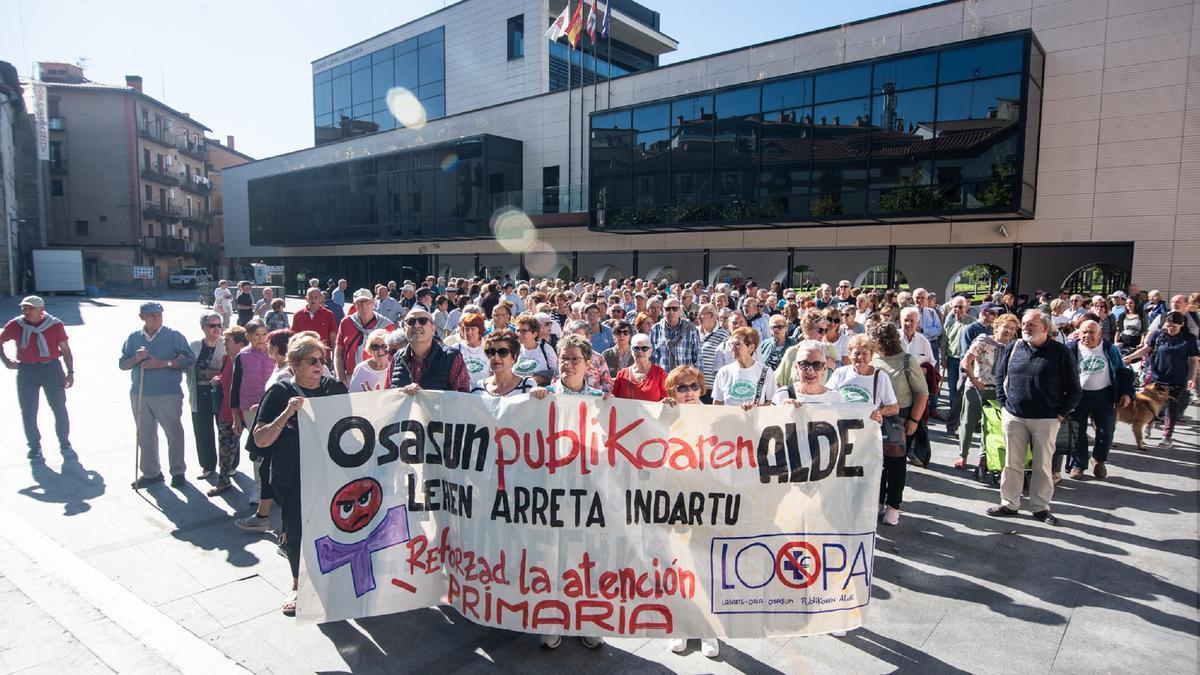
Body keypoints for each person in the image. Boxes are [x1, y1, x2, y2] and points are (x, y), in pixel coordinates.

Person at [252, 333, 347, 616]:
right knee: (296, 531)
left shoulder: (334, 388)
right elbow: (260, 439)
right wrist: (286, 414)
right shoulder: (279, 393)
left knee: (333, 527)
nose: (319, 366)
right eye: (312, 361)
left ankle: (330, 579)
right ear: (294, 364)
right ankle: (296, 583)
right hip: (293, 476)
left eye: (321, 360)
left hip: (329, 474)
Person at [988, 310, 1082, 526]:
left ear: (1046, 329)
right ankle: (1009, 503)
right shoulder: (1015, 347)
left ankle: (1040, 507)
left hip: (1046, 419)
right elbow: (1001, 376)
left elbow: (1075, 391)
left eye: (1032, 324)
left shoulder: (1061, 352)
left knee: (1042, 465)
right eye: (1025, 324)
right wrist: (1005, 404)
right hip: (1014, 416)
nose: (1026, 328)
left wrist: (1059, 415)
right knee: (1012, 462)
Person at [119, 302, 195, 489]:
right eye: (151, 315)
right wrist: (136, 359)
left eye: (159, 314)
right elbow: (122, 364)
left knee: (174, 433)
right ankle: (151, 473)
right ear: (142, 317)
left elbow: (189, 360)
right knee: (145, 434)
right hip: (140, 393)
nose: (156, 318)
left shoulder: (174, 336)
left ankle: (178, 471)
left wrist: (163, 363)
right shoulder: (134, 338)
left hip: (168, 393)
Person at [826, 334, 899, 523]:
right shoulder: (841, 374)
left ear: (872, 355)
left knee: (864, 476)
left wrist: (879, 412)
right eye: (856, 353)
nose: (860, 358)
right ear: (849, 354)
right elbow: (826, 399)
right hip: (841, 435)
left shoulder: (879, 377)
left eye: (865, 353)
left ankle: (865, 512)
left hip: (867, 438)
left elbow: (894, 407)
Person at [869, 324, 928, 522]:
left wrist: (914, 420)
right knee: (877, 463)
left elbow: (922, 392)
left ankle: (893, 505)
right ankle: (877, 501)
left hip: (899, 420)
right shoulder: (872, 360)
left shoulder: (906, 361)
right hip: (875, 419)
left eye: (872, 338)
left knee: (896, 464)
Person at [1066, 320, 1133, 479]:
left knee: (1106, 430)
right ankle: (1078, 465)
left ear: (1099, 334)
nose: (1087, 336)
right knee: (1077, 431)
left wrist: (1126, 393)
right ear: (1078, 333)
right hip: (1079, 396)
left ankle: (1099, 460)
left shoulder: (1109, 349)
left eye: (1091, 332)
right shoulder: (1072, 349)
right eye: (1084, 332)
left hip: (1104, 395)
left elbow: (1122, 371)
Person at [1123, 311, 1200, 447]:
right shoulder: (1159, 334)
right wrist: (1131, 357)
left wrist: (1192, 378)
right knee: (1148, 404)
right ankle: (1149, 423)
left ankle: (1167, 436)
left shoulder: (1189, 339)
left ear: (1182, 324)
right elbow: (1147, 349)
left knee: (1171, 408)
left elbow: (1194, 360)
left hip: (1177, 379)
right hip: (1157, 377)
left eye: (1174, 327)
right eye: (1168, 326)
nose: (1170, 329)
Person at [955, 313, 1018, 469]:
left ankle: (984, 458)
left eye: (1013, 328)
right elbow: (966, 361)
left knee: (990, 425)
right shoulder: (984, 340)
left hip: (998, 391)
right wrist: (974, 380)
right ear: (997, 326)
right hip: (977, 388)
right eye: (1006, 327)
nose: (1009, 331)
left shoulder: (1014, 346)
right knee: (968, 422)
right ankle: (963, 455)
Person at [230, 319, 275, 517]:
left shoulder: (274, 354)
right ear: (248, 336)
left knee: (275, 450)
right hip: (249, 407)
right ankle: (259, 487)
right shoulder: (242, 356)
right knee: (259, 450)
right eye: (256, 335)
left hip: (273, 407)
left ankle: (275, 487)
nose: (261, 339)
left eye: (264, 334)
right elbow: (235, 385)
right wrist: (235, 416)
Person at [390, 307, 471, 393]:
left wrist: (425, 396)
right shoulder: (397, 358)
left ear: (433, 328)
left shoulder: (452, 358)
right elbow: (388, 397)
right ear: (404, 329)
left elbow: (463, 398)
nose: (416, 325)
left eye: (423, 321)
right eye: (411, 321)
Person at [186, 311, 226, 479]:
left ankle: (229, 465)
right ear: (203, 327)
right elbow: (185, 366)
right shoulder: (193, 345)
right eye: (212, 325)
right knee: (203, 431)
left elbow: (235, 368)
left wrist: (216, 373)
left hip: (221, 393)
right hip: (199, 393)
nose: (216, 329)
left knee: (225, 430)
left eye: (219, 325)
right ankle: (208, 465)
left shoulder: (227, 343)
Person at [209, 326, 247, 496]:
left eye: (228, 341)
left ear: (241, 343)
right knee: (225, 449)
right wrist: (219, 379)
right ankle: (223, 481)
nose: (224, 343)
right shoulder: (225, 358)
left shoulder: (247, 361)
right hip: (226, 411)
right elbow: (227, 379)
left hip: (246, 411)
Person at [335, 289, 393, 386]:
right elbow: (338, 352)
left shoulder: (386, 325)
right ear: (354, 305)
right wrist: (341, 378)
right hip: (350, 379)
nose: (363, 306)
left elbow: (393, 355)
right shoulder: (346, 322)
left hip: (381, 379)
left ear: (373, 302)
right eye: (359, 302)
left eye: (366, 301)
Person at [713, 327, 776, 408]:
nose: (732, 348)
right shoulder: (724, 372)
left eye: (737, 344)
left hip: (756, 419)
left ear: (751, 348)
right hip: (730, 419)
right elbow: (717, 404)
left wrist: (755, 409)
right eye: (731, 344)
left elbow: (772, 402)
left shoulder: (765, 371)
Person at [772, 340, 843, 405]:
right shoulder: (783, 395)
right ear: (796, 368)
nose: (810, 370)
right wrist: (781, 411)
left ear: (824, 369)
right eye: (804, 364)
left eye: (817, 365)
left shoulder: (835, 399)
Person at [471, 330, 537, 398]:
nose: (496, 357)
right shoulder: (478, 388)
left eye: (502, 352)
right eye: (491, 352)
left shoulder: (527, 385)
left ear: (514, 357)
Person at [649, 297, 700, 371]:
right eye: (667, 309)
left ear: (680, 311)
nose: (671, 312)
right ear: (663, 311)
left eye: (675, 309)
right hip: (662, 378)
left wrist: (697, 379)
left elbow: (697, 358)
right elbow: (651, 357)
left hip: (684, 378)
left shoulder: (691, 329)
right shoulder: (655, 329)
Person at [612, 333, 667, 401]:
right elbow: (614, 401)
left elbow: (665, 400)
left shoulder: (659, 373)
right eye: (636, 348)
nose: (640, 351)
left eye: (644, 348)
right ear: (631, 351)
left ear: (650, 351)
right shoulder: (622, 374)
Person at [513, 314, 557, 385]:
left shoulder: (546, 349)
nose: (519, 334)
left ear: (535, 334)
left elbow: (554, 373)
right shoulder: (514, 350)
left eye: (524, 331)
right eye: (518, 331)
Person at [447, 313, 489, 381]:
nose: (469, 332)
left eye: (472, 329)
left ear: (480, 331)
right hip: (462, 391)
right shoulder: (456, 348)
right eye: (466, 329)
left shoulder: (489, 348)